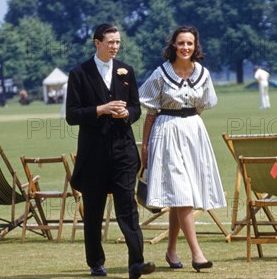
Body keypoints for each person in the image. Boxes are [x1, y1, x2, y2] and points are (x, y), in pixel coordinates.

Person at [66, 23, 155, 279]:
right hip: (93, 154)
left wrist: (128, 113)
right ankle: (95, 262)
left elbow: (137, 108)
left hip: (124, 152)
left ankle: (136, 263)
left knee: (128, 207)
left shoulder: (127, 71)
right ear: (97, 43)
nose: (115, 47)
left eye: (118, 42)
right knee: (93, 210)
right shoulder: (79, 73)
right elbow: (72, 116)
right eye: (110, 42)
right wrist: (101, 109)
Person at [138, 26, 225, 272]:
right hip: (166, 132)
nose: (185, 47)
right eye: (181, 43)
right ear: (173, 45)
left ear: (195, 46)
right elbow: (150, 112)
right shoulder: (160, 73)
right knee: (182, 193)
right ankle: (197, 254)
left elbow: (201, 106)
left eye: (189, 43)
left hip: (194, 133)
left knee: (181, 195)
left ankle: (171, 250)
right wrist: (145, 145)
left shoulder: (203, 74)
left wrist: (189, 124)